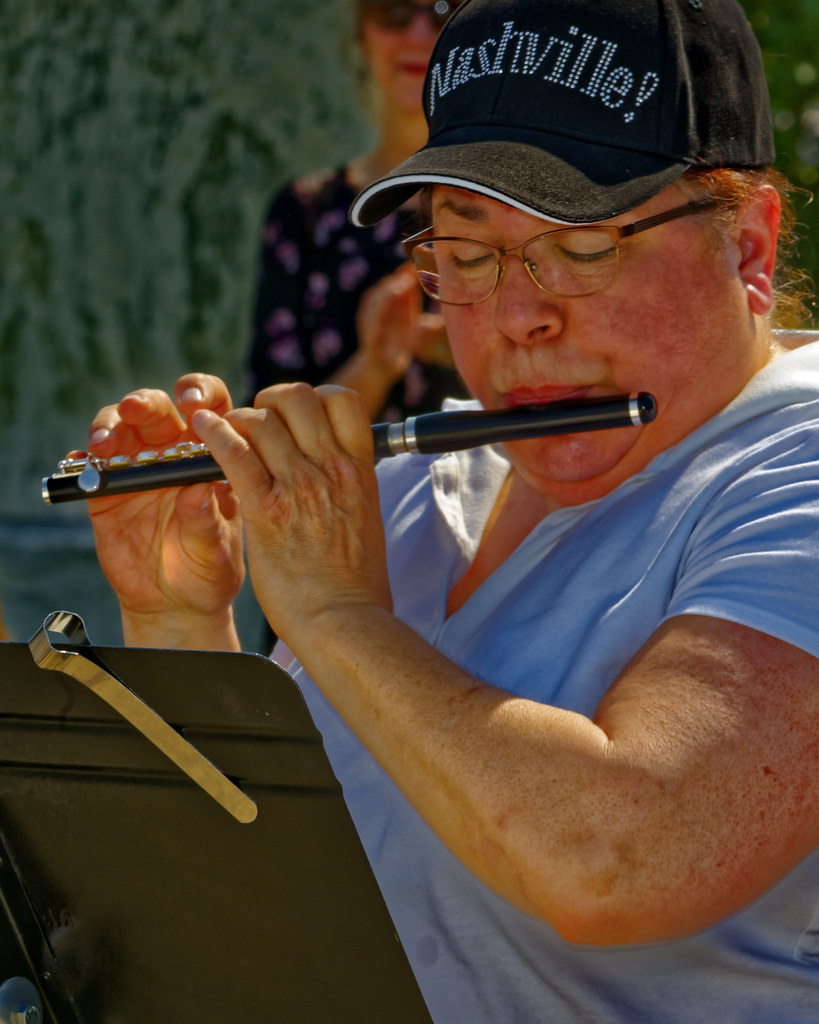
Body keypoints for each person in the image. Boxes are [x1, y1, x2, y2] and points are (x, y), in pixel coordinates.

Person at [80, 0, 819, 1019]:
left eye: (584, 246)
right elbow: (240, 918)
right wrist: (179, 622)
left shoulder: (795, 465)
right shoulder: (407, 497)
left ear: (748, 245)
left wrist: (338, 618)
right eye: (467, 258)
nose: (519, 315)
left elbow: (622, 860)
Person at [247, 0, 469, 421]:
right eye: (393, 10)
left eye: (446, 9)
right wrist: (376, 365)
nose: (419, 34)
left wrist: (469, 354)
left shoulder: (514, 207)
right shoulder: (303, 214)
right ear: (361, 31)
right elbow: (267, 432)